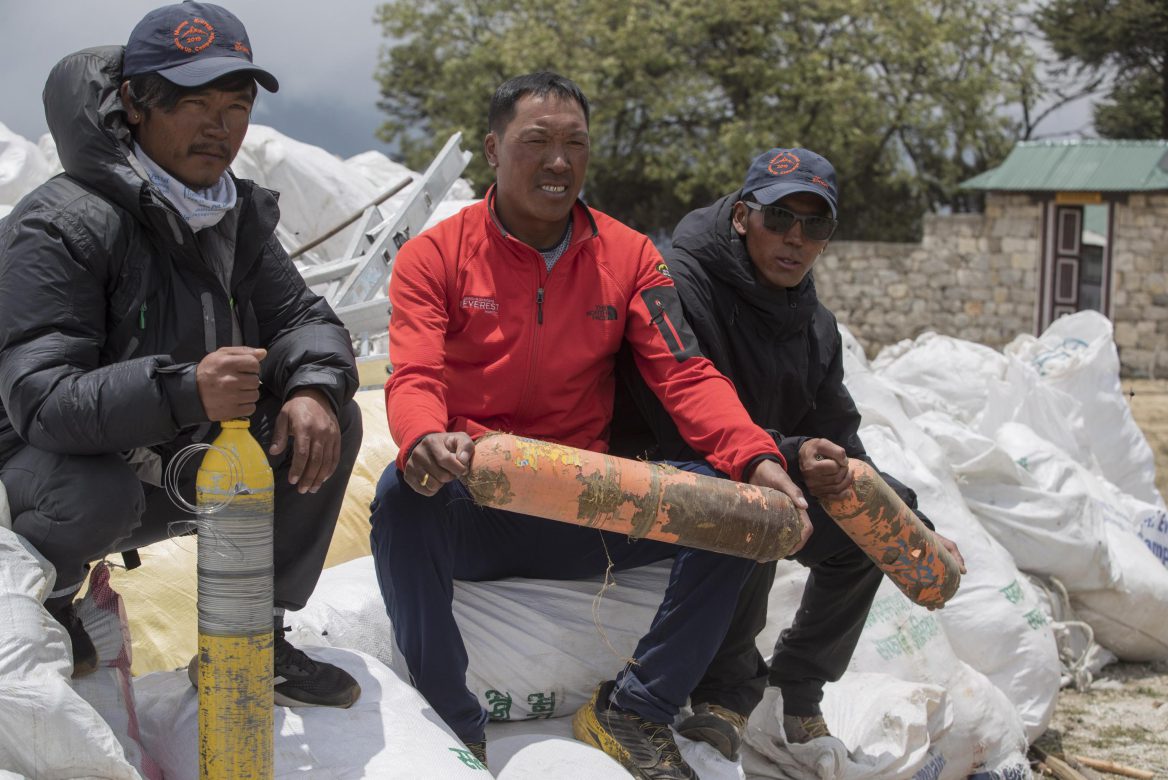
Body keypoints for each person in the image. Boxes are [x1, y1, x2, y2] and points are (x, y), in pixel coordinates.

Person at [369, 72, 813, 779]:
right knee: (399, 496)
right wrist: (423, 435)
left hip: (583, 506)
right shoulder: (435, 256)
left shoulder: (629, 256)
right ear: (492, 148)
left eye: (575, 143)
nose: (558, 161)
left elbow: (685, 373)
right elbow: (415, 370)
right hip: (475, 501)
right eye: (536, 141)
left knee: (736, 508)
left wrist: (756, 458)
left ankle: (637, 710)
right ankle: (456, 726)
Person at [0, 2, 362, 708]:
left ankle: (257, 634)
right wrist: (181, 391)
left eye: (236, 105)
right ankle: (52, 603)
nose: (218, 125)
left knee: (330, 420)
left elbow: (302, 318)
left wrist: (313, 387)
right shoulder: (62, 222)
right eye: (193, 103)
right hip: (42, 477)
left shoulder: (231, 215)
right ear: (134, 103)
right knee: (90, 494)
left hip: (168, 458)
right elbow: (41, 400)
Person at [611, 147, 966, 758]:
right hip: (664, 470)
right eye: (779, 219)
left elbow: (843, 440)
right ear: (743, 216)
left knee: (872, 516)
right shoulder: (679, 282)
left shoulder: (814, 322)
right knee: (759, 501)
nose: (795, 239)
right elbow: (682, 419)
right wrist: (795, 455)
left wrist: (912, 527)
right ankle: (725, 692)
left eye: (815, 225)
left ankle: (798, 688)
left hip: (773, 471)